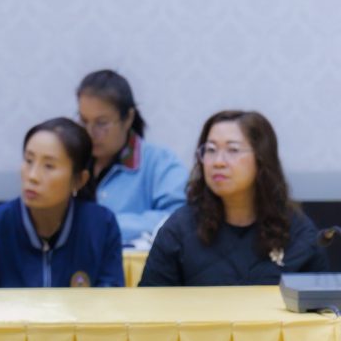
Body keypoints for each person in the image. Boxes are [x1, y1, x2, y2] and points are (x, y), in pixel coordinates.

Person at [140, 110, 328, 286]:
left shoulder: (297, 232)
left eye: (233, 150)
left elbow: (322, 304)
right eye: (211, 150)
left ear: (262, 158)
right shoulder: (179, 229)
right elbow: (149, 302)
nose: (218, 162)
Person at [0, 118, 124, 288]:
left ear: (80, 180)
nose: (32, 176)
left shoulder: (102, 226)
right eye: (29, 161)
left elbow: (112, 297)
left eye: (49, 166)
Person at [76, 70, 188, 246]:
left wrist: (106, 225)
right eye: (83, 121)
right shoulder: (72, 161)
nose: (90, 132)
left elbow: (180, 219)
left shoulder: (160, 162)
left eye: (101, 123)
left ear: (128, 118)